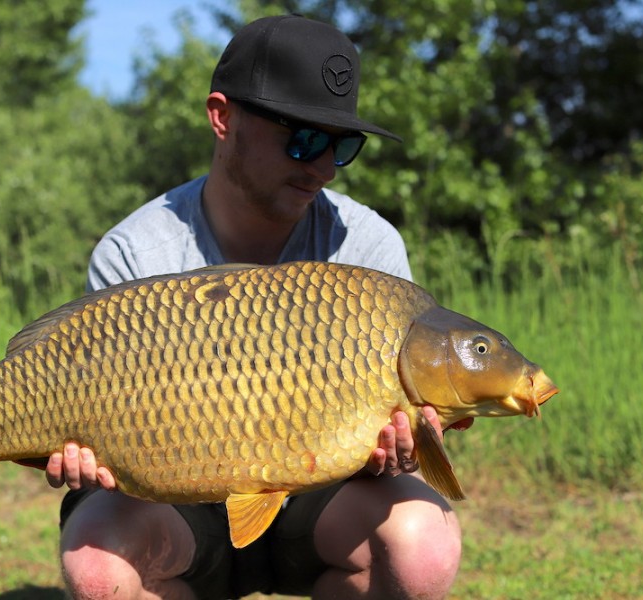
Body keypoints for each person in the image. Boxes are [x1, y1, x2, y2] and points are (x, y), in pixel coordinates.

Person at [46, 15, 462, 600]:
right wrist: (82, 449)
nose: (320, 166)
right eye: (303, 138)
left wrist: (401, 449)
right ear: (222, 117)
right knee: (97, 569)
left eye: (341, 146)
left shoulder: (367, 248)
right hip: (174, 495)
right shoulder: (136, 251)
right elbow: (98, 422)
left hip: (321, 499)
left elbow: (402, 424)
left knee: (425, 547)